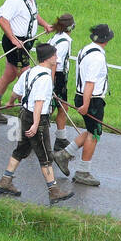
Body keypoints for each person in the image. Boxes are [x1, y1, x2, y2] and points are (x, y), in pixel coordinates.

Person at [0, 43, 74, 202]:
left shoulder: (30, 72)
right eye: (55, 56)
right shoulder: (45, 77)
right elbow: (39, 102)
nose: (57, 59)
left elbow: (16, 91)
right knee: (45, 156)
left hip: (24, 114)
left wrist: (10, 102)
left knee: (21, 150)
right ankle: (54, 191)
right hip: (37, 118)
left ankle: (5, 181)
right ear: (50, 58)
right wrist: (36, 124)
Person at [0, 0, 54, 122]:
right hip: (16, 44)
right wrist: (14, 39)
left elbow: (33, 15)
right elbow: (3, 19)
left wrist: (45, 25)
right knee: (26, 76)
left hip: (25, 43)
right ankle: (28, 113)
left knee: (9, 74)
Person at [55, 23, 113, 186]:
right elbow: (90, 82)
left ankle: (64, 154)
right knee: (95, 134)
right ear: (106, 40)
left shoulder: (85, 50)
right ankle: (83, 171)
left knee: (90, 131)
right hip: (92, 100)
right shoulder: (97, 57)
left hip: (83, 96)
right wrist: (87, 104)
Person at [48, 13, 76, 150]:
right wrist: (51, 83)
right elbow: (55, 63)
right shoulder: (64, 42)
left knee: (63, 107)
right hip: (57, 77)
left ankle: (61, 138)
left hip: (55, 76)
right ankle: (34, 136)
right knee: (52, 108)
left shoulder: (56, 37)